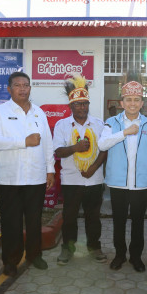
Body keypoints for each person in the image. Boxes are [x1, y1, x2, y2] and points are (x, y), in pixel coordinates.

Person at [0, 71, 54, 276]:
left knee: (34, 220)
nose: (22, 89)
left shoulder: (39, 113)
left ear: (30, 88)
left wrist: (50, 170)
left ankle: (35, 255)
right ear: (9, 89)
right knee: (11, 222)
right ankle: (11, 260)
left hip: (36, 177)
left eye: (26, 85)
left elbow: (48, 144)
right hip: (10, 178)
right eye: (18, 85)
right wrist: (23, 142)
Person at [99, 70, 147, 272]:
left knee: (138, 222)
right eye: (128, 100)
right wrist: (124, 132)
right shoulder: (111, 123)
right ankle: (119, 255)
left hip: (141, 183)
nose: (132, 103)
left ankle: (136, 257)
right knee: (118, 222)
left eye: (136, 100)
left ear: (142, 103)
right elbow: (102, 144)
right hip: (118, 183)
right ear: (122, 102)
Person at [52, 74, 107, 265]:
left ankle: (94, 247)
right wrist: (75, 148)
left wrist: (93, 168)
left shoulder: (99, 124)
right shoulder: (62, 125)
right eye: (77, 104)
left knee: (94, 217)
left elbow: (104, 150)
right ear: (71, 106)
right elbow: (58, 151)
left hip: (95, 179)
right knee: (69, 218)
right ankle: (68, 249)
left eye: (84, 104)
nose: (82, 107)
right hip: (71, 180)